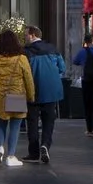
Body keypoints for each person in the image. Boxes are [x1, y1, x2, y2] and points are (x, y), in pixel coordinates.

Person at [0, 28, 33, 168]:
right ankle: (11, 156)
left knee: (1, 124)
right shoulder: (21, 59)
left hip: (1, 96)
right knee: (15, 126)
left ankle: (0, 147)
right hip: (17, 94)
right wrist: (31, 96)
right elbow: (28, 79)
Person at [24, 29, 65, 162]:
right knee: (49, 120)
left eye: (25, 35)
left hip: (33, 91)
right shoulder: (52, 48)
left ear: (32, 35)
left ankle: (34, 152)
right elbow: (62, 68)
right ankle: (45, 144)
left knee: (32, 122)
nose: (24, 37)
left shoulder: (26, 51)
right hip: (51, 91)